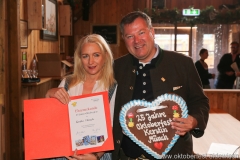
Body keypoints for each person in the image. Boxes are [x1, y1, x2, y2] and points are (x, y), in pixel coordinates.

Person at [112, 11, 209, 160]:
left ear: (152, 32)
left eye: (141, 32)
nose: (137, 41)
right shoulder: (115, 68)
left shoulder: (182, 63)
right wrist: (65, 88)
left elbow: (200, 102)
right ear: (123, 39)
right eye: (130, 36)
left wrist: (194, 120)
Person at [46, 34, 117, 160]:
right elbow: (51, 121)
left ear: (105, 56)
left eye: (96, 55)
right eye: (85, 56)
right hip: (65, 152)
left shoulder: (113, 87)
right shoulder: (68, 82)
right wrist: (49, 94)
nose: (91, 62)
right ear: (79, 58)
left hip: (99, 153)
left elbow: (112, 129)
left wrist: (95, 156)